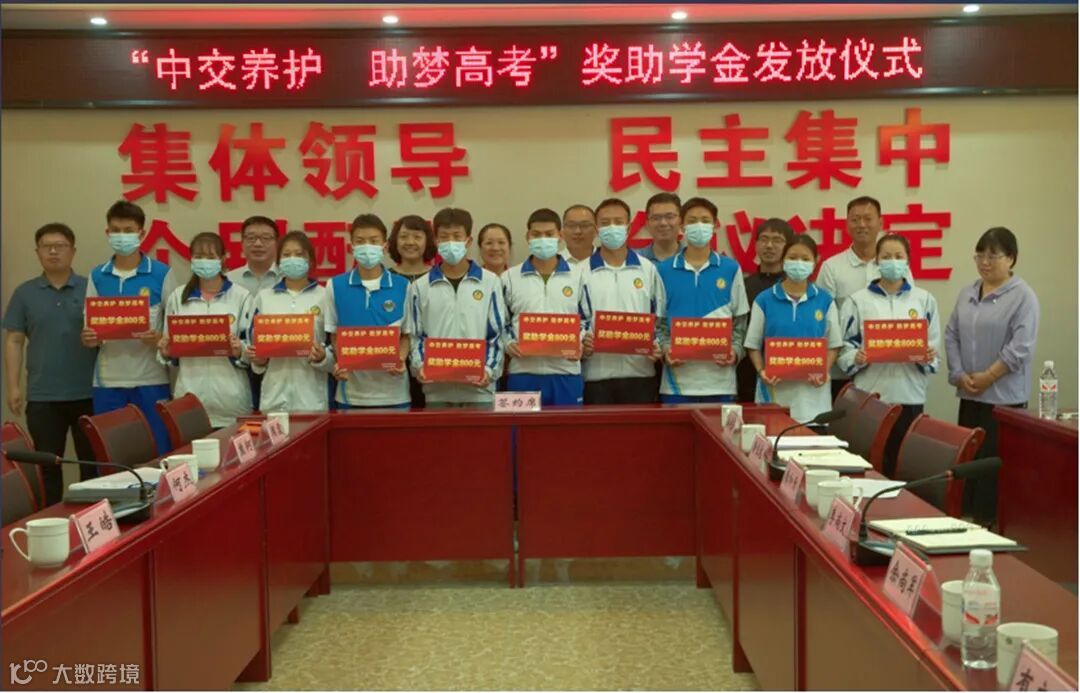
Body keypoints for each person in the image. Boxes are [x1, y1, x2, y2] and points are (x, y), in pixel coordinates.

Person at [945, 227, 1039, 526]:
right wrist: (959, 374)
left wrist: (989, 376)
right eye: (980, 255)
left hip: (1003, 400)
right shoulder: (968, 292)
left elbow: (1020, 347)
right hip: (969, 393)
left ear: (1011, 259)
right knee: (968, 462)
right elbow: (951, 334)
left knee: (993, 468)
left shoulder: (1023, 297)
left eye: (993, 256)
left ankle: (991, 525)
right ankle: (965, 520)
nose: (985, 262)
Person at [3, 223, 98, 502]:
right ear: (38, 253)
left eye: (60, 246)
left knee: (91, 465)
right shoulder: (25, 293)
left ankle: (91, 520)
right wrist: (13, 387)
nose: (53, 252)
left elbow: (107, 334)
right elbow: (14, 341)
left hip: (88, 392)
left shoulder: (90, 289)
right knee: (47, 468)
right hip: (43, 396)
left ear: (73, 251)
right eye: (47, 247)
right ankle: (51, 519)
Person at [838, 234, 941, 478]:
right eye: (886, 257)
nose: (892, 261)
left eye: (898, 256)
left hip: (910, 396)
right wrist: (856, 357)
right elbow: (843, 350)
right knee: (870, 466)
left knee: (903, 466)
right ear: (876, 261)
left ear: (908, 261)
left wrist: (927, 357)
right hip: (871, 397)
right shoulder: (857, 301)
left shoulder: (924, 300)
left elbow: (934, 349)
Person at [81, 201, 172, 456]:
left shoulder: (161, 273)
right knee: (112, 454)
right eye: (116, 230)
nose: (122, 236)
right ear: (107, 233)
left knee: (158, 451)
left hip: (151, 379)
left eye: (128, 230)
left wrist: (159, 338)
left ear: (141, 233)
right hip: (108, 381)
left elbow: (173, 328)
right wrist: (88, 338)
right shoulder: (97, 275)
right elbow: (89, 328)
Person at [402, 207, 507, 408]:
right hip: (436, 392)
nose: (451, 242)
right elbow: (416, 335)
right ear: (436, 241)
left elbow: (496, 333)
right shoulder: (420, 287)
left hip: (480, 392)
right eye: (444, 237)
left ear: (468, 240)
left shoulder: (490, 282)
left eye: (457, 236)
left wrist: (488, 369)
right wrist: (420, 365)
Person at [817, 197, 912, 400]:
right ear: (846, 224)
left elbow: (908, 307)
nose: (861, 224)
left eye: (868, 219)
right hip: (842, 372)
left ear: (880, 222)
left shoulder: (897, 266)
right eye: (855, 219)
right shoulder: (831, 267)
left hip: (888, 370)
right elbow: (822, 318)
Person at [656, 197, 749, 404]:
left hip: (721, 382)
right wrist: (666, 350)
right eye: (692, 220)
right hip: (676, 384)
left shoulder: (730, 268)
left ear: (715, 226)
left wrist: (734, 352)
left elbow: (740, 321)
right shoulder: (664, 270)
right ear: (682, 226)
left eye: (705, 220)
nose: (699, 225)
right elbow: (658, 322)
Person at [744, 235, 843, 423]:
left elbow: (833, 344)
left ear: (815, 262)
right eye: (792, 257)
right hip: (773, 395)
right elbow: (753, 345)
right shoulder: (764, 299)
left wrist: (824, 370)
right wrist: (761, 371)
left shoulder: (825, 300)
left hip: (813, 400)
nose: (798, 263)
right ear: (783, 261)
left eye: (805, 258)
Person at [159, 233, 252, 428]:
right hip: (189, 400)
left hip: (231, 402)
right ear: (191, 260)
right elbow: (168, 348)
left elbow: (253, 349)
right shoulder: (178, 297)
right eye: (199, 257)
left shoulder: (242, 297)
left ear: (223, 259)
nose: (204, 262)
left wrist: (240, 350)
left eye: (210, 257)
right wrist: (166, 352)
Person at [580, 198, 665, 404]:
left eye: (618, 222)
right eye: (605, 222)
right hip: (596, 376)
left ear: (628, 227)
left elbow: (660, 317)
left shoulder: (647, 269)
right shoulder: (580, 271)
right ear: (596, 228)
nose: (612, 227)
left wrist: (657, 345)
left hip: (641, 374)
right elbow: (575, 317)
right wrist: (581, 341)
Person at [502, 208, 588, 406]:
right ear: (528, 237)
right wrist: (508, 343)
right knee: (522, 427)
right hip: (522, 372)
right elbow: (501, 322)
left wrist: (579, 340)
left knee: (567, 426)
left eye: (549, 234)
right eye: (536, 234)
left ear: (560, 236)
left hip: (566, 372)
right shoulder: (509, 278)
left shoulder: (579, 275)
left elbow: (587, 318)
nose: (543, 239)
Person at [325, 215, 411, 409]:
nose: (367, 247)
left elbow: (406, 335)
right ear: (352, 246)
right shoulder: (335, 286)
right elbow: (334, 335)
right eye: (360, 241)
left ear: (385, 246)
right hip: (350, 394)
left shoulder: (403, 286)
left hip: (395, 394)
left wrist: (401, 358)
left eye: (373, 241)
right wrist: (341, 361)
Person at [247, 231, 334, 413]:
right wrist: (259, 361)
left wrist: (323, 357)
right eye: (286, 255)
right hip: (274, 398)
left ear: (310, 261)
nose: (293, 259)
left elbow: (336, 348)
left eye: (299, 254)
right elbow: (253, 348)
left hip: (313, 399)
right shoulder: (264, 297)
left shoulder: (325, 295)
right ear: (278, 262)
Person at [736, 219, 796, 403]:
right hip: (747, 373)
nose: (769, 245)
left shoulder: (797, 288)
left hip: (787, 372)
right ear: (755, 245)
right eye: (764, 239)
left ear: (788, 247)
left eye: (777, 240)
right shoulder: (743, 286)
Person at [636, 192, 683, 264]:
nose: (663, 223)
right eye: (656, 218)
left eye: (670, 217)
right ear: (647, 224)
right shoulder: (635, 260)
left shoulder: (693, 257)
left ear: (680, 220)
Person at [389, 214, 436, 283]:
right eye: (403, 236)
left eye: (417, 237)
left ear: (428, 241)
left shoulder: (438, 276)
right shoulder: (386, 277)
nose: (410, 242)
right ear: (395, 241)